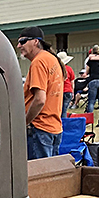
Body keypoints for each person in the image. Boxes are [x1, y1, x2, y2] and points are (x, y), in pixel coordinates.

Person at [17, 26, 63, 159]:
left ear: (36, 41)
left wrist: (25, 122)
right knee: (50, 174)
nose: (19, 45)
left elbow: (40, 99)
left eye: (23, 41)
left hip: (39, 128)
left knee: (38, 176)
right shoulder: (51, 59)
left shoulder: (38, 62)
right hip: (54, 127)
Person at [58, 51, 75, 116]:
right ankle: (64, 123)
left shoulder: (57, 69)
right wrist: (73, 91)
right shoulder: (69, 69)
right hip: (68, 90)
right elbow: (72, 81)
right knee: (64, 109)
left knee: (59, 109)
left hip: (59, 91)